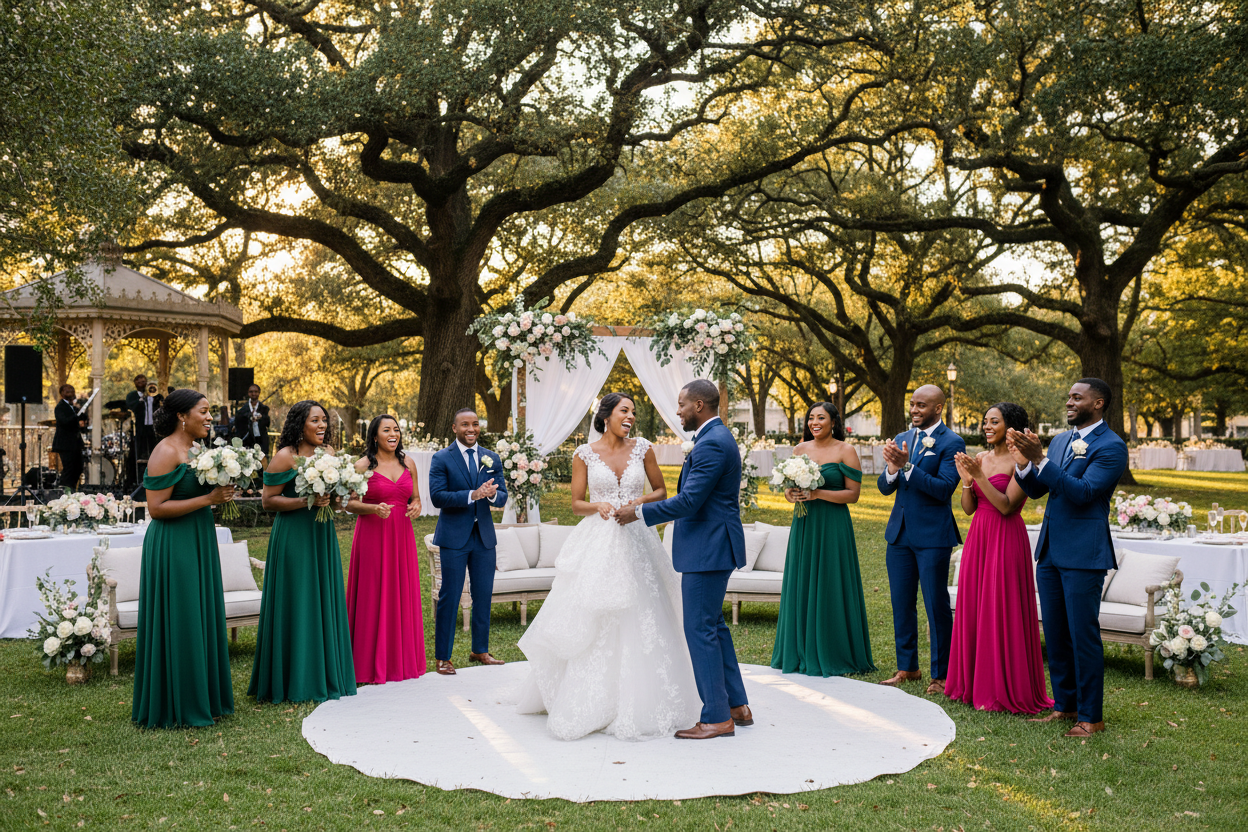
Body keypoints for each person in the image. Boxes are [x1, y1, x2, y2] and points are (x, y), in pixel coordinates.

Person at [516, 393, 700, 740]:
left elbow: (661, 490)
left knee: (644, 613)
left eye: (633, 411)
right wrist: (597, 505)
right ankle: (588, 698)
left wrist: (640, 501)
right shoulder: (583, 454)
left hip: (637, 536)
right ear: (606, 416)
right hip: (598, 540)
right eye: (624, 410)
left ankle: (643, 697)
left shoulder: (643, 448)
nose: (631, 416)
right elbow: (575, 503)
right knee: (593, 613)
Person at [616, 379, 751, 740]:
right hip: (712, 546)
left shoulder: (711, 445)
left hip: (709, 549)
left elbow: (689, 501)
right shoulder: (714, 438)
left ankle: (716, 718)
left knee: (700, 628)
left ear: (700, 407)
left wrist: (639, 513)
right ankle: (737, 705)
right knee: (715, 626)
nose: (677, 411)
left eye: (681, 405)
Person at [1009, 379, 1128, 738]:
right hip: (1050, 551)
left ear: (1099, 402)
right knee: (1057, 634)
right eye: (1069, 396)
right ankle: (1065, 706)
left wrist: (1040, 459)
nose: (1070, 401)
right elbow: (1037, 490)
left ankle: (1091, 716)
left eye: (1078, 397)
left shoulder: (1111, 446)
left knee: (1082, 635)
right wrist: (1025, 465)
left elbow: (1083, 492)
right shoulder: (1060, 440)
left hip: (1084, 554)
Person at [132, 388, 236, 728]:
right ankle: (177, 702)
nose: (210, 417)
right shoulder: (165, 450)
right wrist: (208, 499)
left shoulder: (199, 448)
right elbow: (156, 508)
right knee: (183, 616)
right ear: (182, 416)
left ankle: (206, 698)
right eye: (204, 411)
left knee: (201, 614)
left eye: (211, 411)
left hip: (199, 538)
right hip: (174, 543)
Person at [946, 403, 1053, 714]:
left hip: (1006, 538)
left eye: (995, 421)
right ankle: (971, 683)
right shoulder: (980, 458)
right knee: (976, 606)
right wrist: (968, 480)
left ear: (1012, 425)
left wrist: (979, 475)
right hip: (979, 535)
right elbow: (968, 508)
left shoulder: (1020, 463)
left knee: (1000, 606)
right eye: (985, 421)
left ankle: (1001, 687)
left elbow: (1007, 506)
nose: (987, 426)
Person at [248, 400, 357, 704]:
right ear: (300, 424)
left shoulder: (330, 454)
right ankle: (291, 678)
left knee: (323, 598)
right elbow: (268, 501)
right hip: (293, 535)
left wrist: (339, 497)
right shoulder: (286, 457)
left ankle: (325, 673)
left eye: (324, 420)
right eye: (315, 421)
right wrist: (306, 501)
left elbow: (337, 500)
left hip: (321, 534)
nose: (322, 426)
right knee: (297, 599)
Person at [772, 401, 875, 677]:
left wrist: (818, 494)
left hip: (832, 525)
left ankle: (835, 650)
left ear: (833, 422)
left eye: (821, 418)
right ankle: (801, 649)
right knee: (802, 581)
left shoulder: (846, 451)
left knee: (830, 581)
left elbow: (853, 495)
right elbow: (788, 488)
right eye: (811, 418)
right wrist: (790, 494)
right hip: (804, 524)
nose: (814, 422)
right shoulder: (799, 450)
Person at [877, 384, 965, 695]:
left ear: (938, 408)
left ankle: (941, 675)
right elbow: (885, 487)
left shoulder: (953, 442)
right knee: (902, 603)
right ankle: (908, 668)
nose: (915, 410)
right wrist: (890, 469)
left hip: (932, 536)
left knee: (935, 604)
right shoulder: (902, 438)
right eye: (912, 404)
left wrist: (908, 467)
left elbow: (943, 489)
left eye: (922, 405)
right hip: (899, 534)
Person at [345, 415, 426, 684]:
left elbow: (415, 498)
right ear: (375, 435)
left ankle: (400, 661)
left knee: (400, 593)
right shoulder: (362, 466)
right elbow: (348, 504)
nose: (393, 434)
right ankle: (367, 664)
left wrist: (416, 506)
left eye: (396, 429)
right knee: (372, 594)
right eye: (387, 430)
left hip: (402, 538)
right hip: (372, 537)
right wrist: (372, 508)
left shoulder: (409, 463)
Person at [427, 408, 508, 675]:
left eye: (475, 424)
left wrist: (492, 495)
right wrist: (473, 494)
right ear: (454, 428)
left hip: (484, 537)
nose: (471, 429)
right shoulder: (442, 458)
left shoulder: (491, 457)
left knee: (483, 595)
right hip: (453, 537)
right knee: (450, 595)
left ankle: (480, 650)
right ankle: (443, 657)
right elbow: (438, 497)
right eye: (465, 425)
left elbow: (503, 496)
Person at [52, 383, 86, 489]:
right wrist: (76, 417)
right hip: (65, 443)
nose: (71, 393)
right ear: (62, 394)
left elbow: (79, 424)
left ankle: (71, 488)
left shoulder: (74, 408)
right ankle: (63, 489)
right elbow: (64, 421)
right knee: (69, 468)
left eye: (72, 391)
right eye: (67, 391)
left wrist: (83, 421)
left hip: (75, 443)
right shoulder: (60, 407)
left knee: (78, 467)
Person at [125, 375, 162, 473]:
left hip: (152, 428)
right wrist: (141, 400)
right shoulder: (132, 396)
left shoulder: (155, 395)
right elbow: (131, 406)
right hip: (140, 428)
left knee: (154, 450)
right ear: (135, 384)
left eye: (144, 382)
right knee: (139, 452)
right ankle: (138, 475)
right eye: (140, 382)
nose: (142, 384)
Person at [233, 383, 271, 457]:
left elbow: (267, 423)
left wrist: (260, 418)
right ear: (248, 393)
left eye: (256, 391)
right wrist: (249, 417)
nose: (253, 394)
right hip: (247, 440)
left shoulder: (264, 409)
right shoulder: (242, 410)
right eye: (251, 392)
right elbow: (238, 423)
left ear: (259, 393)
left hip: (261, 440)